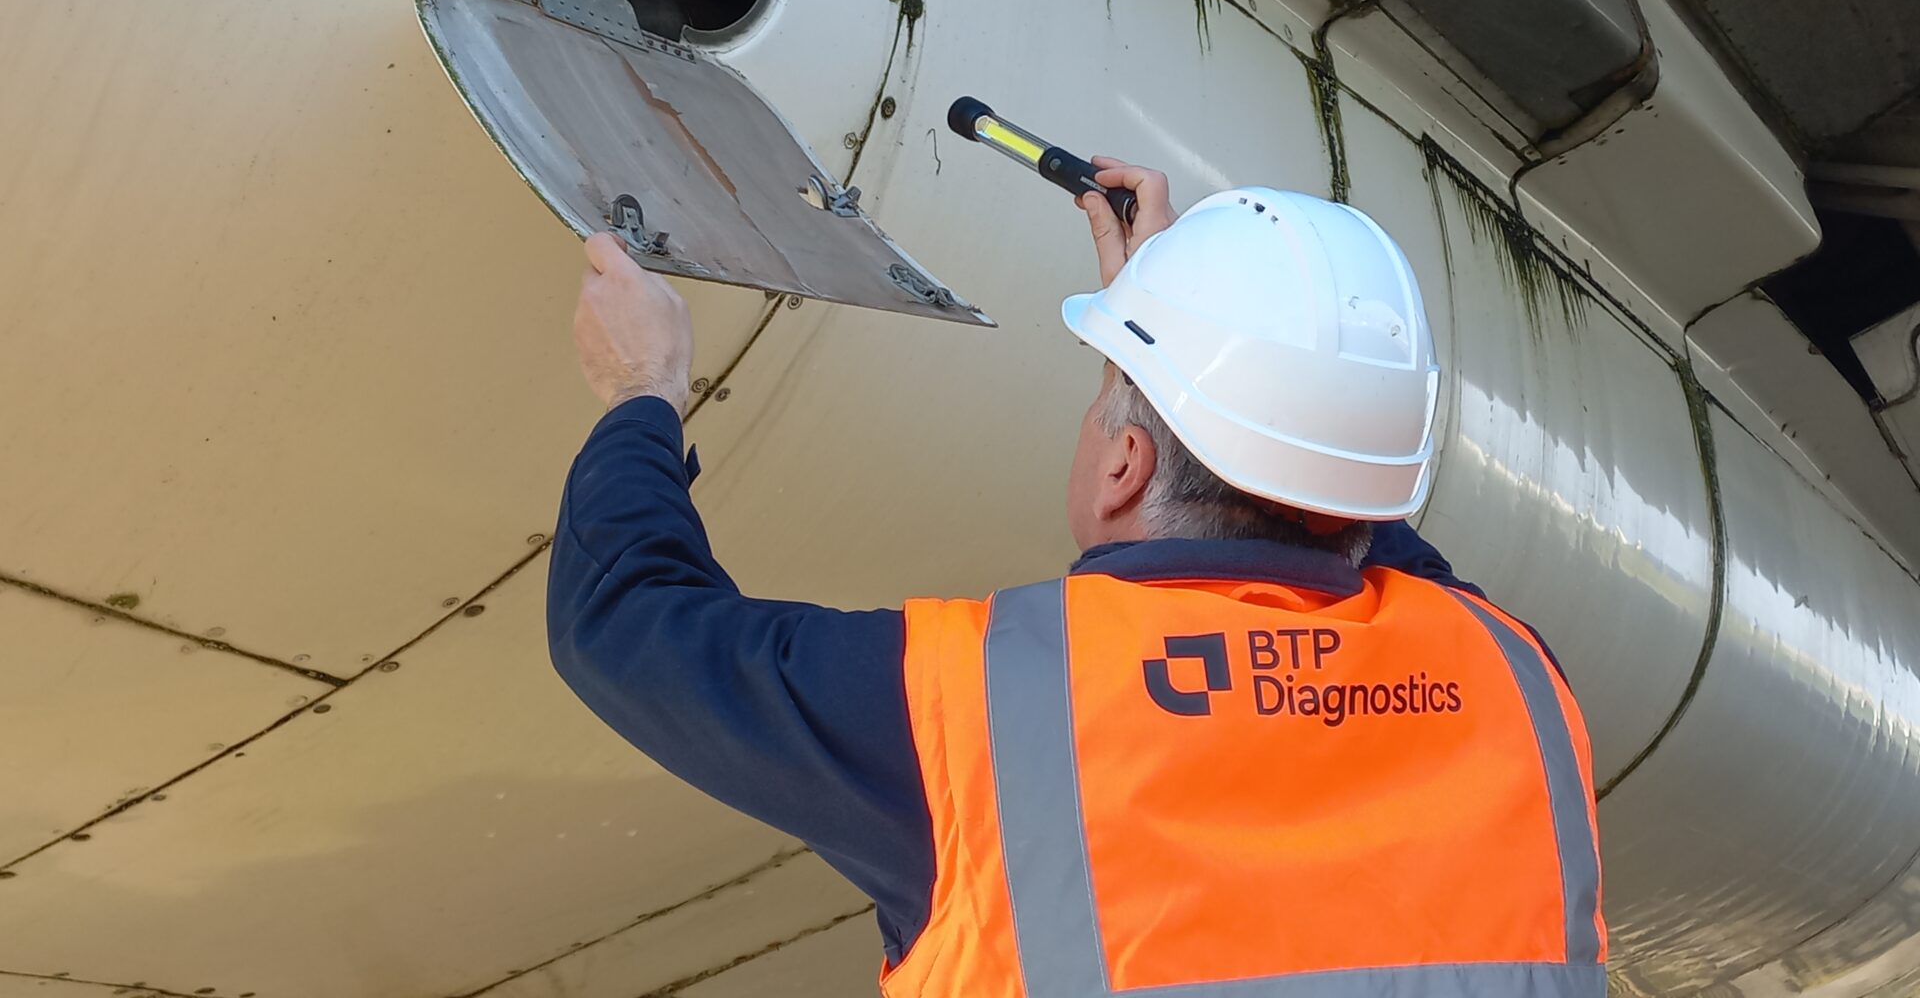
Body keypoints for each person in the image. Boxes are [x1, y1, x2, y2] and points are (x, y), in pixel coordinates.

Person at [551, 161, 1606, 997]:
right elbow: (1352, 504)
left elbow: (628, 622)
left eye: (1111, 407)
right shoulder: (1516, 682)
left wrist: (642, 389)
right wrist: (1167, 340)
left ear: (1124, 467)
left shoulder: (979, 714)